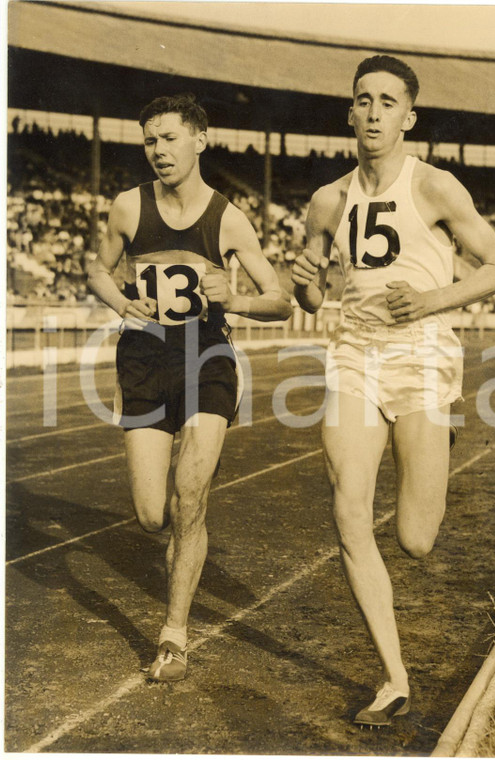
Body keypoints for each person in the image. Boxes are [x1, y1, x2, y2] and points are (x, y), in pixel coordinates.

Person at [291, 55, 495, 726]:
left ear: (407, 117)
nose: (372, 112)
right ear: (349, 110)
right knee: (348, 510)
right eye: (362, 99)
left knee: (416, 538)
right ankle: (393, 679)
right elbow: (311, 288)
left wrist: (428, 301)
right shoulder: (327, 200)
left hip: (423, 352)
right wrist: (306, 278)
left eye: (387, 102)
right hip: (355, 353)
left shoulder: (436, 188)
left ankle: (437, 431)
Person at [88, 93, 292, 681]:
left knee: (189, 493)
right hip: (144, 363)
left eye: (169, 138)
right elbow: (96, 268)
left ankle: (173, 638)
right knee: (154, 517)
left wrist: (241, 300)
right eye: (150, 140)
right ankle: (189, 529)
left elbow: (278, 300)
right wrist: (126, 303)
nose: (158, 151)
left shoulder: (227, 218)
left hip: (208, 358)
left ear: (200, 140)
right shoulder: (129, 208)